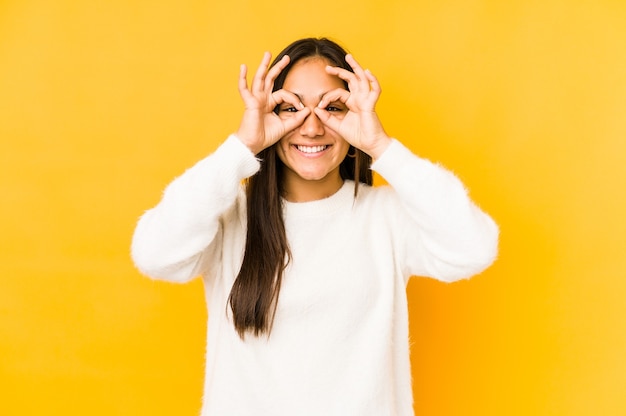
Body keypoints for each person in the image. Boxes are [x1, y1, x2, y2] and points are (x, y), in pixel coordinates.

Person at [131, 37, 499, 416]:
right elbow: (155, 255)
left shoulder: (386, 217)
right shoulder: (228, 216)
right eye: (290, 108)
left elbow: (474, 247)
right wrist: (242, 146)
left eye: (332, 109)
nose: (311, 127)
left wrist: (382, 147)